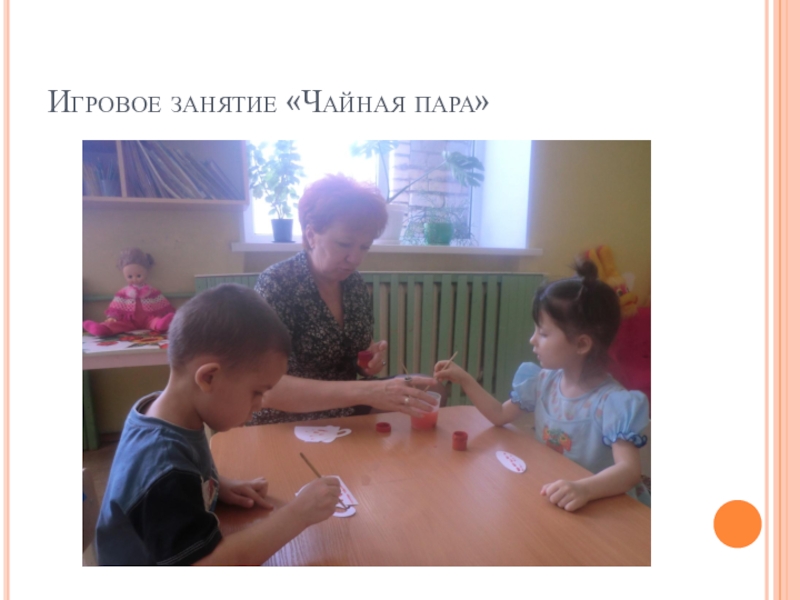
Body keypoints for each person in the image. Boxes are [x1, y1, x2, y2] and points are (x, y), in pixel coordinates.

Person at [95, 284, 342, 565]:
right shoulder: (166, 471)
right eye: (256, 392)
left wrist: (212, 486)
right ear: (209, 378)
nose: (260, 404)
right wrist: (297, 515)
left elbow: (169, 484)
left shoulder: (161, 413)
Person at [434, 260, 650, 511]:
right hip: (555, 496)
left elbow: (629, 471)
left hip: (601, 506)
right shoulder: (544, 381)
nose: (532, 340)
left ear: (582, 344)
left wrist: (584, 488)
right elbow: (499, 414)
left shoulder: (612, 403)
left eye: (544, 333)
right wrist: (465, 379)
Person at [248, 174, 439, 425]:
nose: (355, 259)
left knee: (430, 389)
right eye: (344, 244)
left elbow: (359, 357)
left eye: (364, 247)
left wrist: (369, 362)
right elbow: (267, 389)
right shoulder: (277, 283)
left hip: (346, 406)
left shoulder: (354, 284)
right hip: (288, 418)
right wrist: (368, 391)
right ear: (311, 235)